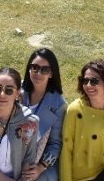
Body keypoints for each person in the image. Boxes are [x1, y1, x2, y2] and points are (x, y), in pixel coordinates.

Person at [60, 60, 104, 181]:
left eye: (94, 81)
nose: (88, 85)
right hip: (81, 177)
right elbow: (66, 150)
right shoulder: (75, 110)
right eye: (85, 81)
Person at [20, 49, 67, 181]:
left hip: (40, 161)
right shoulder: (18, 91)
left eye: (45, 70)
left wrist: (40, 167)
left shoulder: (59, 105)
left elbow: (55, 144)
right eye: (34, 67)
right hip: (13, 152)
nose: (38, 73)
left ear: (51, 73)